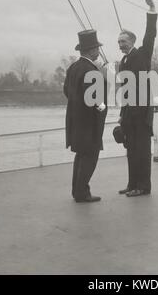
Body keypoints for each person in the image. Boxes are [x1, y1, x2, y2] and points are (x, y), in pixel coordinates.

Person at [118, 0, 158, 197]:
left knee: (142, 152)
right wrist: (122, 114)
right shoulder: (123, 62)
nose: (120, 45)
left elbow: (150, 35)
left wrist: (151, 10)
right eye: (119, 42)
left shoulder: (142, 54)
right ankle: (132, 183)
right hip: (128, 114)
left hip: (141, 114)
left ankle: (143, 187)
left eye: (123, 41)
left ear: (132, 42)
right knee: (131, 150)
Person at [64, 30, 107, 203]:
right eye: (97, 48)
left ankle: (77, 191)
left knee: (80, 156)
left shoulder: (73, 68)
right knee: (90, 157)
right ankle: (82, 193)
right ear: (91, 50)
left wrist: (78, 105)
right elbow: (95, 100)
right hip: (89, 125)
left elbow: (67, 91)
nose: (98, 51)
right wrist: (103, 107)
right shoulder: (91, 70)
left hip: (75, 122)